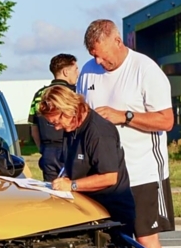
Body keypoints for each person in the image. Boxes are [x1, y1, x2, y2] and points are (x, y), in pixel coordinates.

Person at [77, 19, 175, 248]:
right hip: (107, 176)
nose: (101, 63)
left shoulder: (145, 69)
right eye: (95, 57)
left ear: (117, 41)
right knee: (111, 246)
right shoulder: (88, 72)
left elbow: (167, 120)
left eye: (105, 57)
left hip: (145, 172)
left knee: (147, 242)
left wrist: (125, 116)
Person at [37, 86, 136, 237]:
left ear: (69, 110)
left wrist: (72, 185)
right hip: (88, 208)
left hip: (112, 212)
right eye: (52, 123)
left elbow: (109, 176)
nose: (56, 128)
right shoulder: (72, 127)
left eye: (57, 121)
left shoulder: (99, 132)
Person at [28, 54, 79, 180]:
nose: (78, 73)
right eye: (76, 69)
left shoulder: (40, 94)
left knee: (52, 193)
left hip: (48, 151)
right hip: (70, 149)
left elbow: (34, 128)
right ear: (66, 72)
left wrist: (43, 149)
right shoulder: (74, 93)